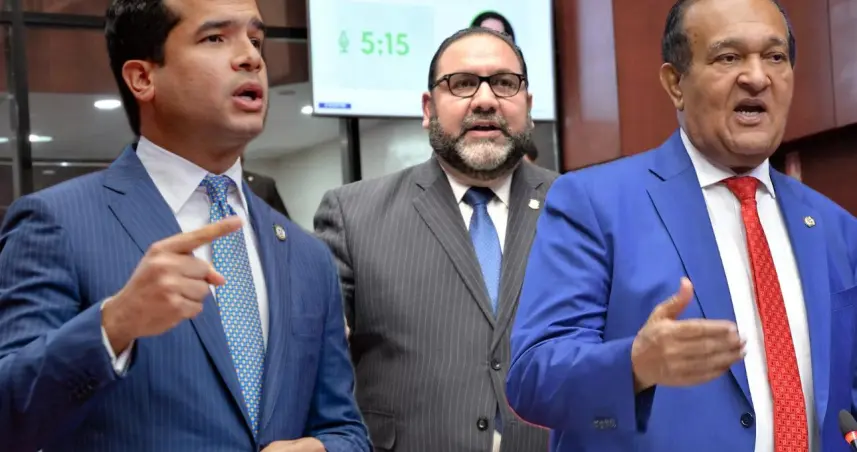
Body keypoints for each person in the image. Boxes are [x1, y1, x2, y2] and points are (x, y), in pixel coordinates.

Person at [0, 0, 369, 450]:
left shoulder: (306, 254)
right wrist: (113, 325)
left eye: (256, 40)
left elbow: (345, 429)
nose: (251, 57)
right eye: (215, 38)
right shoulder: (57, 222)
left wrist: (326, 449)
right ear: (142, 77)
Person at [506, 0, 857, 451]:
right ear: (675, 84)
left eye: (775, 57)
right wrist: (634, 364)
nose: (757, 77)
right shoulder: (593, 203)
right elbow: (533, 379)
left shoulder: (835, 227)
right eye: (728, 57)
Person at [314, 27, 554, 452]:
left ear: (529, 107)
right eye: (462, 83)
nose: (485, 100)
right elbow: (316, 357)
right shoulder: (352, 215)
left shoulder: (579, 208)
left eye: (504, 83)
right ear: (428, 108)